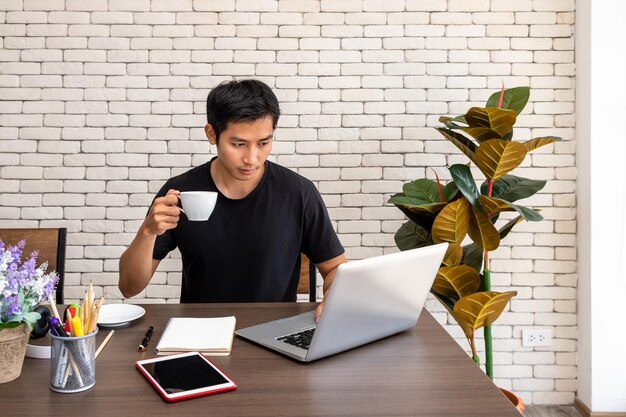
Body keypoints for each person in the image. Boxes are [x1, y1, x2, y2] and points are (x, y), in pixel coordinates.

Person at [118, 79, 346, 320]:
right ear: (211, 134)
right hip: (199, 329)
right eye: (238, 144)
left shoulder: (298, 193)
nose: (252, 158)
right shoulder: (180, 192)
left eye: (264, 143)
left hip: (273, 332)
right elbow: (129, 287)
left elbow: (335, 268)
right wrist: (147, 232)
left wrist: (334, 297)